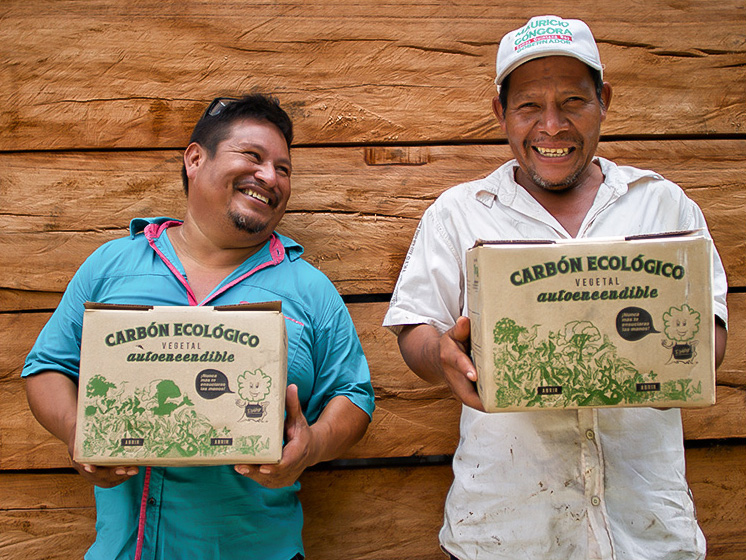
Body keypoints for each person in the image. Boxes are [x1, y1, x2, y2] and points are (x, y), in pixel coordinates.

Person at [383, 15, 728, 560]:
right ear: (500, 112)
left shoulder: (664, 205)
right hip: (505, 533)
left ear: (603, 102)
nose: (552, 125)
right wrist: (443, 355)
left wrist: (680, 361)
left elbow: (711, 330)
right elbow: (415, 330)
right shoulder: (459, 213)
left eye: (573, 102)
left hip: (647, 535)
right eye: (528, 106)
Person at [23, 94, 375, 560]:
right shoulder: (111, 265)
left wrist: (311, 447)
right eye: (252, 156)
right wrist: (77, 432)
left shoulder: (310, 289)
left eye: (283, 169)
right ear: (194, 159)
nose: (270, 177)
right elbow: (48, 367)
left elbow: (353, 395)